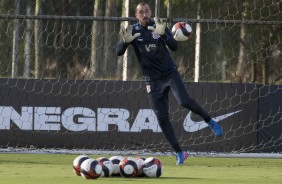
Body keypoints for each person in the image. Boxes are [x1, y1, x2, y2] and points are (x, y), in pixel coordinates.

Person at [116, 2, 222, 165]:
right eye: (141, 12)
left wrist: (164, 35)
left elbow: (174, 46)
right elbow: (118, 52)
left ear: (150, 12)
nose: (144, 14)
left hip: (169, 73)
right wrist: (124, 42)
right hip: (152, 80)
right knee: (162, 117)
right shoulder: (133, 30)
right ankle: (180, 152)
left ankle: (210, 121)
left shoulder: (158, 26)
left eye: (146, 11)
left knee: (184, 101)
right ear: (136, 15)